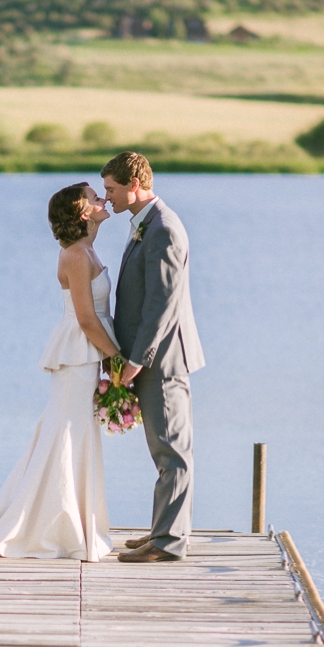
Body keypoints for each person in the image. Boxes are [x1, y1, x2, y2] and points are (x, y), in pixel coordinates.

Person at [0, 184, 121, 560]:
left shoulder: (88, 249)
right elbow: (87, 319)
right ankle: (54, 527)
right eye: (95, 196)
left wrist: (108, 356)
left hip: (90, 355)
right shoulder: (74, 254)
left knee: (74, 434)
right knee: (67, 434)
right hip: (78, 356)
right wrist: (117, 358)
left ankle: (73, 522)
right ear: (82, 211)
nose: (103, 199)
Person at [101, 152, 205, 562]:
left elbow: (162, 303)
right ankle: (162, 532)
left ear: (134, 186)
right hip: (152, 357)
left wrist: (138, 358)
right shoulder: (148, 224)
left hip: (162, 360)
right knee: (164, 450)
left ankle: (169, 543)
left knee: (172, 450)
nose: (107, 197)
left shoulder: (163, 229)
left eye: (111, 189)